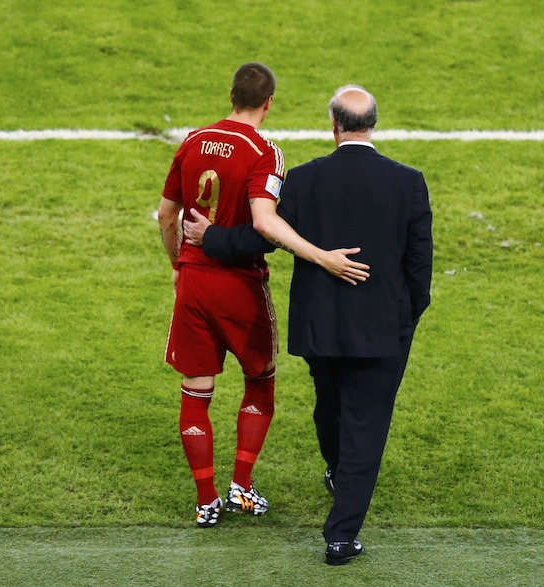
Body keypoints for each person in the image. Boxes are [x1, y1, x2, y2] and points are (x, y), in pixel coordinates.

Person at [184, 85, 433, 564]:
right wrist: (405, 320)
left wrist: (209, 236)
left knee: (330, 411)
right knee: (366, 427)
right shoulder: (409, 181)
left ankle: (339, 477)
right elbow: (418, 264)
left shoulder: (305, 179)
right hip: (383, 332)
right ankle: (341, 537)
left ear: (334, 126)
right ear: (373, 124)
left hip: (322, 330)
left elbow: (262, 236)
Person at [158, 64, 370, 530]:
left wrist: (178, 264)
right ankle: (242, 486)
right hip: (239, 286)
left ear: (230, 94)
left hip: (193, 282)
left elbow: (166, 215)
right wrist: (321, 256)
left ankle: (206, 501)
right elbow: (265, 223)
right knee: (259, 379)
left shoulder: (193, 141)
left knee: (196, 392)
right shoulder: (265, 152)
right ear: (268, 102)